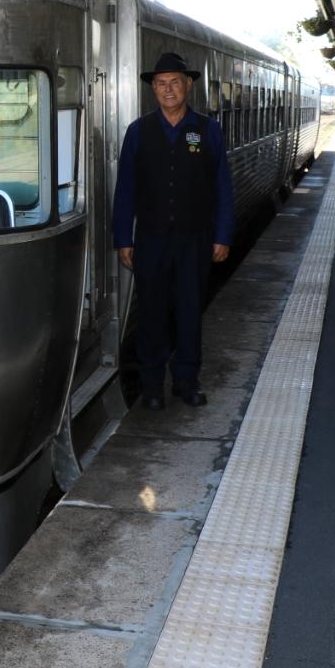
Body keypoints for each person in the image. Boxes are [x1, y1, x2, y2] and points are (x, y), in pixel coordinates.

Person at [113, 52, 232, 410]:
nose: (168, 90)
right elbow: (125, 191)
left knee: (189, 310)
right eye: (161, 84)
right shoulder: (138, 131)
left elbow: (222, 187)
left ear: (188, 85)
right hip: (150, 239)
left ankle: (186, 380)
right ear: (153, 88)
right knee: (151, 311)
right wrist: (123, 239)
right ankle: (152, 386)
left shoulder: (207, 130)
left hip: (195, 239)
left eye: (175, 83)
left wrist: (222, 235)